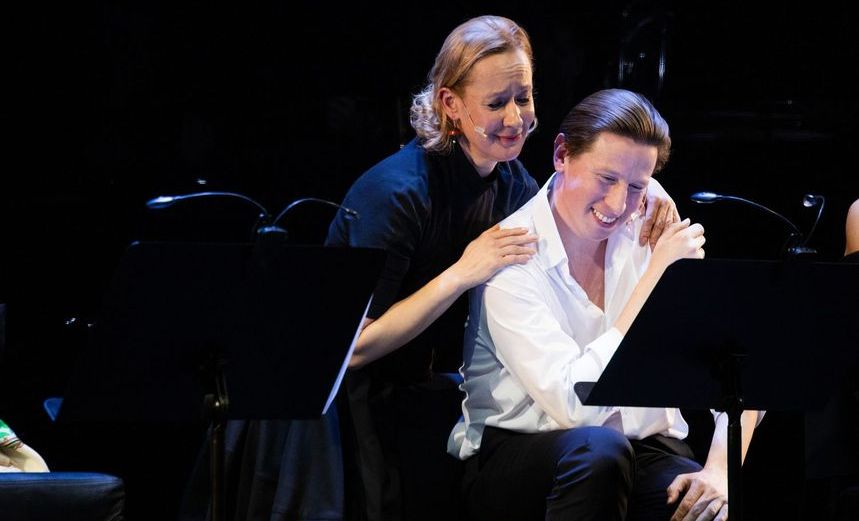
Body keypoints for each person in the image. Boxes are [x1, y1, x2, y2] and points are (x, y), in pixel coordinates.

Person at [326, 17, 680, 521]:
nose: (515, 118)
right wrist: (460, 274)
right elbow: (351, 349)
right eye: (496, 103)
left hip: (439, 389)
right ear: (451, 104)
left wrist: (647, 188)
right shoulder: (397, 194)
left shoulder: (510, 180)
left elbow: (571, 190)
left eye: (524, 97)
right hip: (358, 399)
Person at [449, 89, 762, 521]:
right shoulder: (512, 256)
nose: (617, 205)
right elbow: (574, 405)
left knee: (705, 506)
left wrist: (720, 472)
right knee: (599, 453)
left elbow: (744, 369)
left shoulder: (651, 231)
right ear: (562, 154)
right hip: (523, 453)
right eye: (606, 178)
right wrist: (655, 282)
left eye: (636, 186)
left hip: (642, 450)